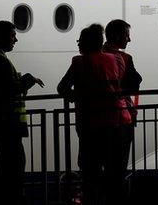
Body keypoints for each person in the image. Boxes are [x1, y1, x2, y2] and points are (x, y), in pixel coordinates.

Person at [57, 23, 133, 205]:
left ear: (86, 43)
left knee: (91, 174)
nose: (78, 45)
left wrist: (77, 97)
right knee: (115, 174)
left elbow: (62, 87)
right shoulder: (116, 59)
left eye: (80, 41)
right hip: (118, 122)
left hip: (91, 126)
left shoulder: (79, 62)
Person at [0, 21, 44, 205]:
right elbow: (9, 89)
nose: (16, 39)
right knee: (14, 165)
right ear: (1, 37)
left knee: (3, 164)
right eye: (12, 35)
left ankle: (4, 198)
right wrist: (29, 79)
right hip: (7, 122)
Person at [104, 19, 142, 124]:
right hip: (122, 113)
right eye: (126, 36)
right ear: (117, 36)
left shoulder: (94, 57)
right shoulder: (125, 58)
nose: (129, 39)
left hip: (97, 117)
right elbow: (135, 83)